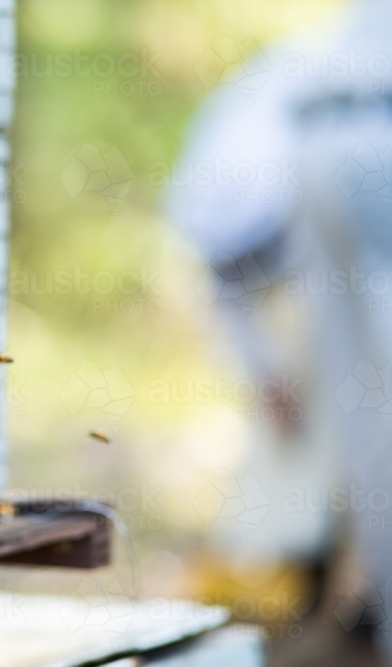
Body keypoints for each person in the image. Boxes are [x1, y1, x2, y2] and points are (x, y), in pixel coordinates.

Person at [168, 2, 392, 660]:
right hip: (365, 129)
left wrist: (268, 372)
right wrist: (268, 375)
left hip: (331, 134)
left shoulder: (261, 136)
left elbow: (236, 287)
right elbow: (232, 288)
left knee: (363, 402)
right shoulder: (225, 201)